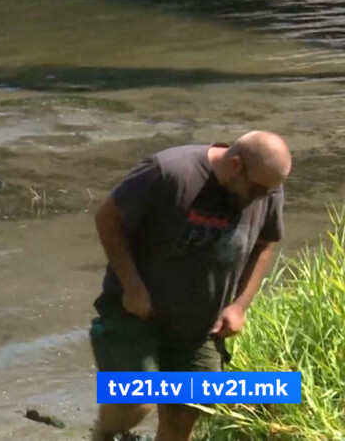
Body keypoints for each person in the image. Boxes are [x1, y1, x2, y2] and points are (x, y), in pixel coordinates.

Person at [88, 130, 291, 441]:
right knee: (135, 400)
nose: (264, 198)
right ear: (235, 164)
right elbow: (106, 219)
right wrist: (133, 287)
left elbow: (264, 243)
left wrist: (239, 306)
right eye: (259, 189)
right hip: (136, 311)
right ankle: (103, 432)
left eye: (271, 191)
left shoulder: (267, 189)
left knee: (185, 413)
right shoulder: (169, 172)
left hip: (201, 326)